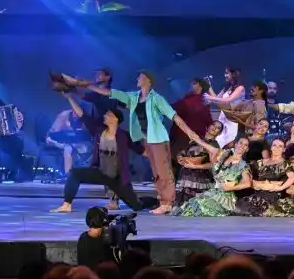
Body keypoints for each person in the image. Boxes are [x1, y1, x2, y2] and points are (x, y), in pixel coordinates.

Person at [75, 70, 204, 215]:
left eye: (140, 76)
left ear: (148, 80)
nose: (137, 78)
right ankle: (163, 201)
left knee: (164, 172)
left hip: (159, 139)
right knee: (156, 173)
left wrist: (190, 133)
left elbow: (174, 116)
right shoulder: (134, 97)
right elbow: (110, 93)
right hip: (146, 139)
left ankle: (168, 202)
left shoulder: (157, 99)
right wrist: (85, 86)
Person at [51, 93, 143, 213]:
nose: (105, 116)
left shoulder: (124, 136)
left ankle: (154, 202)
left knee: (136, 206)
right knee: (75, 173)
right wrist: (69, 97)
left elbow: (141, 151)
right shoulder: (99, 131)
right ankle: (67, 204)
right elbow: (82, 115)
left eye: (108, 114)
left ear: (115, 119)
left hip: (116, 178)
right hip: (100, 172)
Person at [173, 138, 253, 217]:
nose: (242, 146)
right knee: (190, 205)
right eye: (240, 143)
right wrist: (192, 165)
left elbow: (248, 183)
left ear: (247, 149)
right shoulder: (225, 155)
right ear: (236, 144)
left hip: (224, 198)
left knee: (200, 207)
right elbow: (211, 164)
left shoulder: (243, 165)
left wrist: (230, 188)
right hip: (214, 192)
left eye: (245, 145)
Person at [235, 139, 294, 217]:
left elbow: (292, 178)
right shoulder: (261, 162)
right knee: (242, 205)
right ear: (271, 147)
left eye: (280, 146)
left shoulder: (285, 163)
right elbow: (247, 171)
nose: (276, 148)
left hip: (273, 194)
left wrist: (280, 188)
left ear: (284, 149)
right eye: (274, 145)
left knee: (254, 207)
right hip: (258, 192)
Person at [174, 121, 222, 207]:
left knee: (194, 206)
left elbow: (212, 164)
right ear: (208, 127)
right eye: (213, 125)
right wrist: (180, 158)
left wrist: (195, 166)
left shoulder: (214, 146)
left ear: (219, 133)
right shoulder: (195, 139)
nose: (215, 128)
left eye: (218, 128)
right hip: (186, 174)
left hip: (200, 177)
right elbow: (183, 152)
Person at [170, 78, 213, 161]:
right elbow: (209, 121)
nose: (190, 86)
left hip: (183, 137)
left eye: (193, 83)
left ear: (200, 87)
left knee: (175, 162)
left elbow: (171, 110)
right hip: (195, 138)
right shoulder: (204, 103)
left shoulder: (189, 101)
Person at [45, 107, 92, 175]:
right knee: (68, 148)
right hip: (56, 141)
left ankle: (81, 171)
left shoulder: (84, 117)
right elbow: (52, 134)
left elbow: (86, 134)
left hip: (76, 142)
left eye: (78, 114)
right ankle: (68, 175)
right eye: (74, 113)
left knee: (77, 147)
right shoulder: (63, 116)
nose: (76, 116)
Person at [207, 67, 245, 147]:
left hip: (231, 121)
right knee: (217, 142)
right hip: (222, 119)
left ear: (234, 74)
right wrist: (208, 87)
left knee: (226, 144)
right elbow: (217, 100)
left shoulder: (240, 88)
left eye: (227, 73)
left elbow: (228, 100)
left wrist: (211, 98)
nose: (225, 75)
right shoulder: (226, 88)